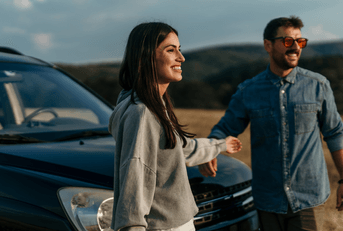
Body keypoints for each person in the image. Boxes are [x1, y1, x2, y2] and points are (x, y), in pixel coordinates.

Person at [198, 16, 343, 231]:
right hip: (266, 203)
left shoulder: (318, 85)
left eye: (300, 42)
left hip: (308, 201)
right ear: (268, 45)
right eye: (287, 41)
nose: (295, 47)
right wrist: (208, 149)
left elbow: (335, 133)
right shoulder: (248, 91)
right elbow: (225, 129)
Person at [108, 22, 242, 231]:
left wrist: (220, 145)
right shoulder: (142, 112)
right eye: (171, 50)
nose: (181, 58)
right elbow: (135, 178)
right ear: (144, 57)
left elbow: (181, 148)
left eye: (179, 49)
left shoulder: (153, 105)